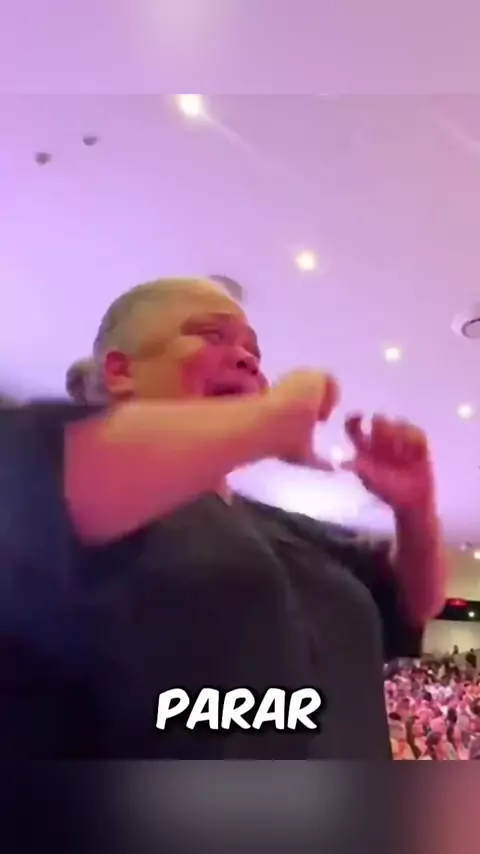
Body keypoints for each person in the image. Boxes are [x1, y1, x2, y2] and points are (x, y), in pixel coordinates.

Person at [0, 277, 446, 759]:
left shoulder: (291, 529)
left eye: (253, 350)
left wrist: (414, 510)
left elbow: (411, 604)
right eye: (212, 335)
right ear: (120, 371)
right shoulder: (54, 471)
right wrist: (269, 422)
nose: (247, 359)